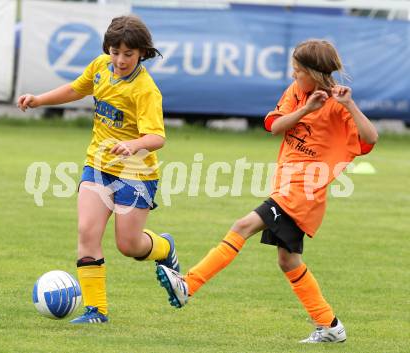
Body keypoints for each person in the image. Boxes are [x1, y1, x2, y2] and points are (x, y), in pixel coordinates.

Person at [156, 39, 378, 343]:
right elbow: (274, 126)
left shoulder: (339, 107)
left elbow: (370, 139)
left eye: (298, 71)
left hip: (303, 191)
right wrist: (306, 109)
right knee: (288, 261)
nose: (293, 76)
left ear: (314, 73)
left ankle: (188, 284)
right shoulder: (297, 93)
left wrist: (349, 105)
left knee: (242, 226)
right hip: (287, 186)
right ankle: (330, 325)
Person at [17, 15, 179, 324]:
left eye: (127, 54)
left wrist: (133, 145)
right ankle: (96, 311)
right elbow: (76, 89)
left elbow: (157, 137)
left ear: (142, 53)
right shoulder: (100, 67)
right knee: (87, 231)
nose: (119, 59)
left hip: (137, 174)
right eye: (114, 51)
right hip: (98, 165)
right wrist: (39, 100)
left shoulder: (145, 90)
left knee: (128, 245)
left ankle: (164, 246)